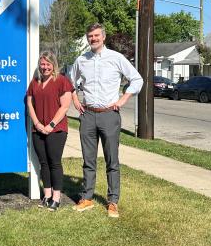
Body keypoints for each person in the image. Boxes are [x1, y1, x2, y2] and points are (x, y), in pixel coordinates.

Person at [69, 23, 143, 218]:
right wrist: (75, 99)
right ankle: (86, 198)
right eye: (90, 36)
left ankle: (112, 202)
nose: (93, 39)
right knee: (88, 160)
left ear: (103, 37)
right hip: (88, 115)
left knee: (112, 160)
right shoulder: (81, 60)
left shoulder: (116, 58)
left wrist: (123, 99)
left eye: (96, 35)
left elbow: (137, 79)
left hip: (109, 114)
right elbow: (69, 82)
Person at [27, 51, 73, 211]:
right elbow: (29, 103)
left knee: (54, 163)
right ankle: (46, 195)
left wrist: (50, 125)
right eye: (42, 64)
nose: (44, 67)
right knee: (43, 163)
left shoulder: (62, 81)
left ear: (53, 65)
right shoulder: (35, 82)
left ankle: (56, 197)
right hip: (37, 129)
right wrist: (38, 124)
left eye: (47, 64)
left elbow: (65, 106)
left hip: (57, 130)